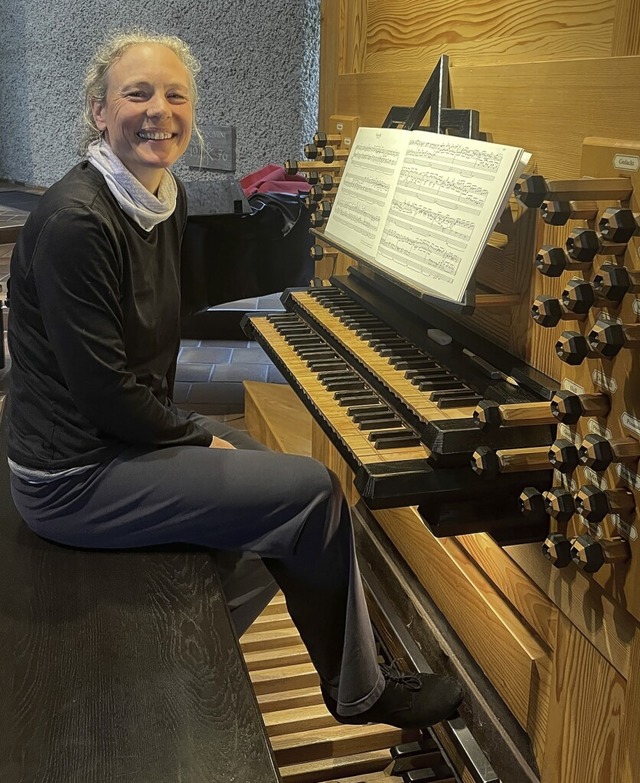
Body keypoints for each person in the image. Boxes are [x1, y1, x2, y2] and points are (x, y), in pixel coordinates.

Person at [6, 30, 464, 729]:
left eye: (174, 94)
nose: (159, 109)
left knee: (276, 482)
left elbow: (161, 329)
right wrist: (191, 436)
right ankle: (360, 692)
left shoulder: (158, 197)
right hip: (73, 473)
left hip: (114, 441)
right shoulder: (79, 221)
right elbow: (104, 390)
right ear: (99, 111)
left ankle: (179, 651)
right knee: (310, 494)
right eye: (137, 94)